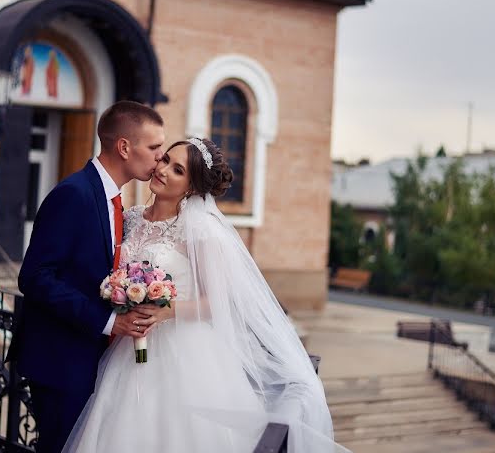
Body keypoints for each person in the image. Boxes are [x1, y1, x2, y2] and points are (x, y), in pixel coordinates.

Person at [63, 138, 346, 453]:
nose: (164, 170)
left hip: (182, 351)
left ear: (192, 188)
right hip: (128, 349)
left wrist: (166, 310)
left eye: (178, 169)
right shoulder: (130, 218)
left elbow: (218, 301)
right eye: (166, 160)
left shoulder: (199, 231)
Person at [12, 101, 166, 453]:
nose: (160, 157)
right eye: (155, 147)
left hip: (90, 359)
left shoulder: (115, 201)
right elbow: (35, 277)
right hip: (60, 361)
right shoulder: (75, 194)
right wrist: (110, 321)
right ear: (125, 147)